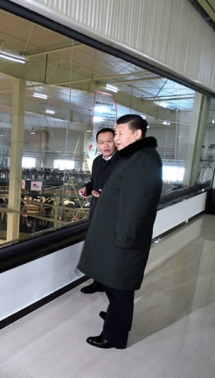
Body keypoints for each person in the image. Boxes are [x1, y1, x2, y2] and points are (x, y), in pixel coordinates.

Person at [77, 114, 162, 349]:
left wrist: (124, 239)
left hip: (122, 238)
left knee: (120, 287)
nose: (116, 139)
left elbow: (136, 205)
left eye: (121, 133)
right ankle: (118, 319)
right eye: (116, 133)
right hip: (116, 234)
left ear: (137, 134)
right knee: (116, 285)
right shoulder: (133, 157)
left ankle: (115, 336)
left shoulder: (143, 161)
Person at [78, 127, 119, 294]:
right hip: (96, 211)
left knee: (110, 249)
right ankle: (98, 282)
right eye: (102, 142)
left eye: (109, 141)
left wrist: (106, 194)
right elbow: (94, 181)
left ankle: (110, 283)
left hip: (113, 213)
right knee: (96, 247)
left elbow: (123, 188)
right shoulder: (97, 161)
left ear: (115, 141)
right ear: (97, 144)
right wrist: (86, 188)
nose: (106, 145)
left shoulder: (122, 162)